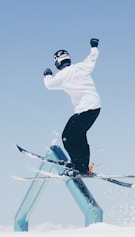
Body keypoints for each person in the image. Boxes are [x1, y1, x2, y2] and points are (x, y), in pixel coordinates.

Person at [43, 38, 101, 176]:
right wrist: (94, 47)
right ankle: (82, 165)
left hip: (85, 109)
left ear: (57, 63)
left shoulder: (62, 75)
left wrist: (47, 75)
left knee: (67, 137)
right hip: (96, 107)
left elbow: (49, 85)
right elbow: (92, 59)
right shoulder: (81, 67)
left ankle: (79, 166)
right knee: (80, 135)